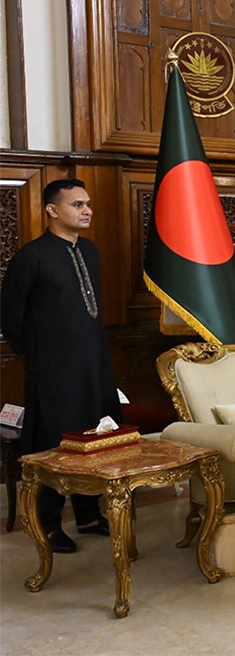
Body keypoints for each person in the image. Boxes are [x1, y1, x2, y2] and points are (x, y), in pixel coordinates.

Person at [1, 178, 122, 555]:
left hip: (93, 365)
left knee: (95, 437)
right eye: (77, 205)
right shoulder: (32, 257)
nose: (87, 211)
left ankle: (88, 515)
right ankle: (49, 524)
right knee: (54, 443)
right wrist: (41, 354)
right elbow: (10, 316)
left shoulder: (90, 251)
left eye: (88, 204)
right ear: (52, 210)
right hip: (52, 371)